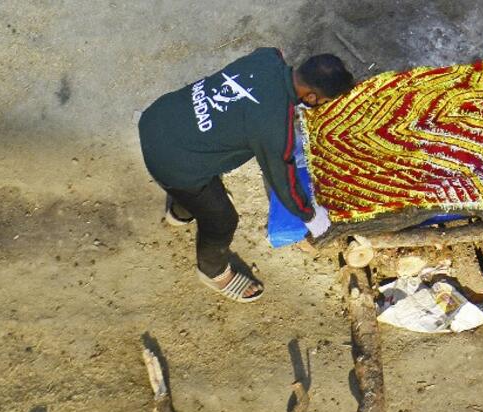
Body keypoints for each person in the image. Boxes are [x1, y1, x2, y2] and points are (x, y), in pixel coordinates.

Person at [138, 50, 354, 302]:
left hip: (160, 116)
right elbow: (283, 181)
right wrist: (310, 215)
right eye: (323, 101)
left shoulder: (268, 56)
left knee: (204, 172)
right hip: (172, 162)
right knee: (222, 219)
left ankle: (181, 211)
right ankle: (212, 272)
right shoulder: (273, 127)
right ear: (311, 97)